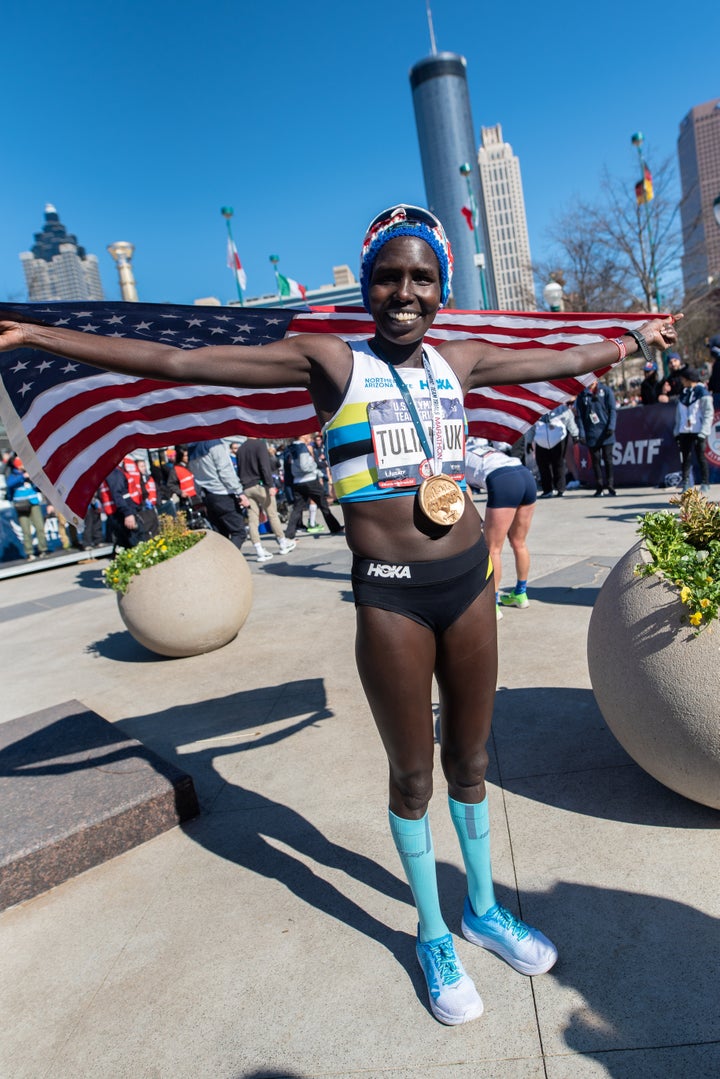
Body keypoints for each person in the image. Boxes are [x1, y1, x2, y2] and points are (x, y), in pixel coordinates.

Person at [0, 204, 681, 1026]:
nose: (404, 292)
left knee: (470, 760)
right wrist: (41, 340)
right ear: (365, 284)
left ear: (441, 287)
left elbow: (559, 356)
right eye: (388, 276)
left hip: (469, 582)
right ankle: (433, 931)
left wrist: (635, 343)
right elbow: (177, 360)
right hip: (391, 594)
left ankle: (483, 909)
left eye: (421, 278)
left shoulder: (458, 360)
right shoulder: (330, 360)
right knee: (413, 774)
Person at [465, 438, 537, 618]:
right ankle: (520, 594)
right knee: (519, 543)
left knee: (493, 549)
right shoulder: (481, 446)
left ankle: (493, 603)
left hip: (503, 479)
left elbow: (464, 493)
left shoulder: (454, 458)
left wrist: (477, 518)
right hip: (524, 474)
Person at [235, 437, 296, 561]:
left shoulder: (240, 449)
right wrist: (270, 485)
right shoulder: (259, 444)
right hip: (260, 485)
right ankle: (282, 543)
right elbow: (264, 466)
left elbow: (239, 470)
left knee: (252, 519)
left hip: (246, 487)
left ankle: (259, 549)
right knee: (272, 514)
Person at [187, 440, 249, 549]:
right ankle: (229, 562)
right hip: (222, 493)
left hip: (207, 495)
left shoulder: (192, 448)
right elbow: (225, 471)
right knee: (239, 532)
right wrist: (239, 492)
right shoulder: (214, 444)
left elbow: (195, 476)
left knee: (221, 535)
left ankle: (222, 562)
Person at [284, 433, 343, 539]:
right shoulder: (301, 447)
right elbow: (304, 466)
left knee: (297, 508)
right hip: (309, 480)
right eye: (308, 435)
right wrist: (315, 465)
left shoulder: (291, 447)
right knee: (323, 504)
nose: (309, 437)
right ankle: (334, 527)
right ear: (302, 436)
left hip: (298, 481)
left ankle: (289, 533)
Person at [673, 366, 713, 493]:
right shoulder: (683, 393)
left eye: (683, 379)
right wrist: (677, 431)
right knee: (685, 458)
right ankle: (686, 483)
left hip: (698, 431)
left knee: (701, 457)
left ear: (689, 379)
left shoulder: (703, 393)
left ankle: (705, 482)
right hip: (684, 431)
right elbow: (679, 415)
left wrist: (704, 431)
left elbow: (708, 413)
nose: (681, 381)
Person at [575, 380, 617, 496]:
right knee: (595, 460)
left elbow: (612, 410)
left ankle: (610, 486)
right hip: (592, 433)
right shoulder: (582, 394)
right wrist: (582, 434)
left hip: (606, 432)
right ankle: (599, 487)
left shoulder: (606, 390)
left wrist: (611, 427)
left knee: (608, 460)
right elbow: (579, 417)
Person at [6, 456, 50, 560]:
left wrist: (32, 479)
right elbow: (9, 484)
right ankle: (29, 552)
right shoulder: (13, 474)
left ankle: (43, 549)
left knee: (40, 526)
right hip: (21, 505)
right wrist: (22, 476)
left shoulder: (31, 472)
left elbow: (39, 486)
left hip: (34, 502)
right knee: (26, 530)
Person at [531, 403, 578, 498]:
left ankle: (560, 489)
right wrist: (529, 441)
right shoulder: (535, 409)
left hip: (558, 439)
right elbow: (531, 427)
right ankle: (547, 490)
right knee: (543, 466)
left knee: (558, 464)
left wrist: (575, 434)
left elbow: (570, 421)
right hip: (541, 441)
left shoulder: (561, 408)